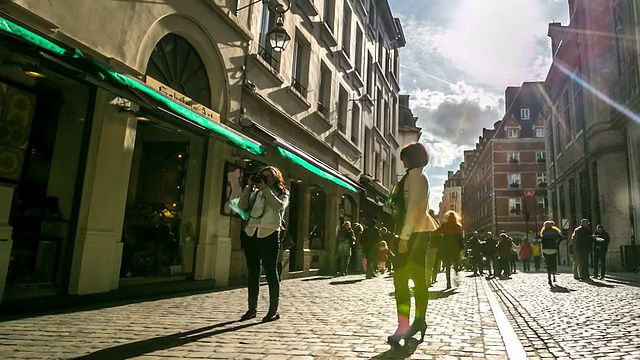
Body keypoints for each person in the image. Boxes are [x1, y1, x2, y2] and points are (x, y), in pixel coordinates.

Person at [387, 142, 438, 346]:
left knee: (405, 281)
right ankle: (414, 322)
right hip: (413, 234)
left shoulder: (416, 177)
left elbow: (415, 207)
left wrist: (404, 236)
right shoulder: (411, 177)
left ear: (414, 158)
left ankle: (408, 325)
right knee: (412, 281)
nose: (403, 161)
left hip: (414, 235)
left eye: (405, 157)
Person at [238, 166, 290, 322]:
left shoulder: (283, 193)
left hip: (269, 233)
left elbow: (278, 206)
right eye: (262, 176)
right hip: (251, 233)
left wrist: (265, 189)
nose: (264, 178)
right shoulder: (257, 192)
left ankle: (273, 310)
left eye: (268, 176)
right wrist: (249, 187)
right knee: (253, 272)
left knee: (270, 272)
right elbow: (241, 206)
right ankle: (251, 309)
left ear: (275, 178)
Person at [432, 210, 464, 289]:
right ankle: (456, 274)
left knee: (447, 266)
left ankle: (448, 283)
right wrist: (461, 247)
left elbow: (436, 232)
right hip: (455, 247)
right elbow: (460, 238)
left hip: (446, 247)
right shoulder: (458, 226)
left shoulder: (444, 225)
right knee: (456, 263)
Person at [540, 221, 564, 286]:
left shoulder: (543, 231)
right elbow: (561, 237)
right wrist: (557, 243)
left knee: (548, 263)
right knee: (553, 262)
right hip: (553, 249)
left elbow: (542, 240)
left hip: (545, 249)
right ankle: (554, 275)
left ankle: (549, 278)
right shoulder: (555, 231)